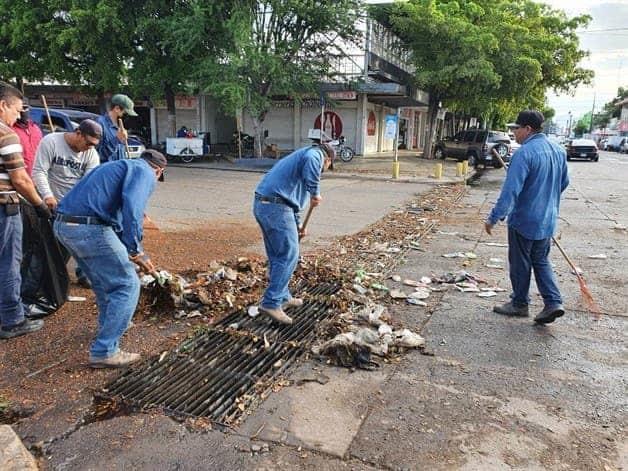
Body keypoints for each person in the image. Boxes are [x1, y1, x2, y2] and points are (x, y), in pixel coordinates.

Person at [53, 150, 166, 367]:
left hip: (65, 225)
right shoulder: (145, 172)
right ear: (159, 170)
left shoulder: (119, 166)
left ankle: (111, 322)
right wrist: (136, 251)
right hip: (88, 228)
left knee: (103, 281)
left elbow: (117, 219)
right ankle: (105, 350)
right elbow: (132, 209)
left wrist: (131, 249)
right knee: (127, 284)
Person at [485, 110, 569, 324]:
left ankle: (520, 303)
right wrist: (545, 197)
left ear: (528, 129)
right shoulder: (558, 151)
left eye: (516, 129)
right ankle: (553, 302)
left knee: (520, 263)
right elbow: (564, 182)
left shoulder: (524, 154)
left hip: (524, 220)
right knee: (541, 261)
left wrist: (494, 217)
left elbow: (511, 191)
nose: (514, 133)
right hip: (547, 219)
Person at [253, 143, 334, 324]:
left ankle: (282, 297)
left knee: (278, 256)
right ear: (327, 160)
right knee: (289, 255)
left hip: (268, 206)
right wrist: (315, 193)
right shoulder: (314, 155)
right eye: (327, 166)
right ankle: (271, 303)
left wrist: (298, 226)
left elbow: (294, 204)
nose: (324, 170)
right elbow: (313, 160)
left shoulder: (299, 168)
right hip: (275, 207)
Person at [0, 82, 52, 339]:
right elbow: (20, 179)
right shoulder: (6, 134)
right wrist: (40, 204)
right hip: (4, 208)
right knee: (9, 263)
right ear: (3, 105)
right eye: (16, 110)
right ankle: (12, 320)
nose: (18, 116)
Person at [32, 119, 102, 288]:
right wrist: (47, 196)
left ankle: (83, 275)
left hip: (73, 205)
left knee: (82, 240)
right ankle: (42, 281)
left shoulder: (91, 154)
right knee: (48, 245)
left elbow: (89, 183)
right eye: (88, 143)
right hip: (49, 202)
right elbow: (39, 171)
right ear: (78, 133)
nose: (90, 147)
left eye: (94, 145)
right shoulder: (51, 142)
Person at [95, 94, 137, 163]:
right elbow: (98, 154)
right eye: (125, 113)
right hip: (107, 170)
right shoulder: (99, 124)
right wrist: (117, 139)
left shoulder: (119, 127)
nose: (126, 116)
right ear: (117, 108)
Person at [12, 102, 43, 176]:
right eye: (20, 109)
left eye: (25, 108)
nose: (22, 111)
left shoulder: (36, 129)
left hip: (38, 176)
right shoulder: (10, 130)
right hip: (19, 177)